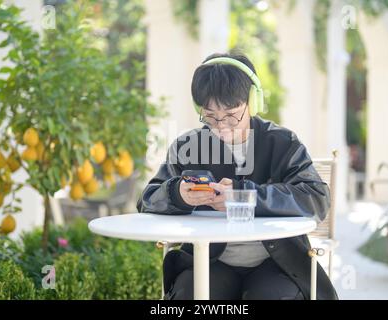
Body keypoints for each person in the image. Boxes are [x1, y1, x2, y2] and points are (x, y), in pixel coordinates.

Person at [137, 52, 338, 300]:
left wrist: (245, 197)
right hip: (209, 261)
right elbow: (147, 200)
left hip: (277, 263)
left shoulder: (283, 142)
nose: (221, 125)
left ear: (252, 103)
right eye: (210, 116)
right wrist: (177, 194)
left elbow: (317, 198)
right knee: (191, 295)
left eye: (232, 114)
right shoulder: (188, 145)